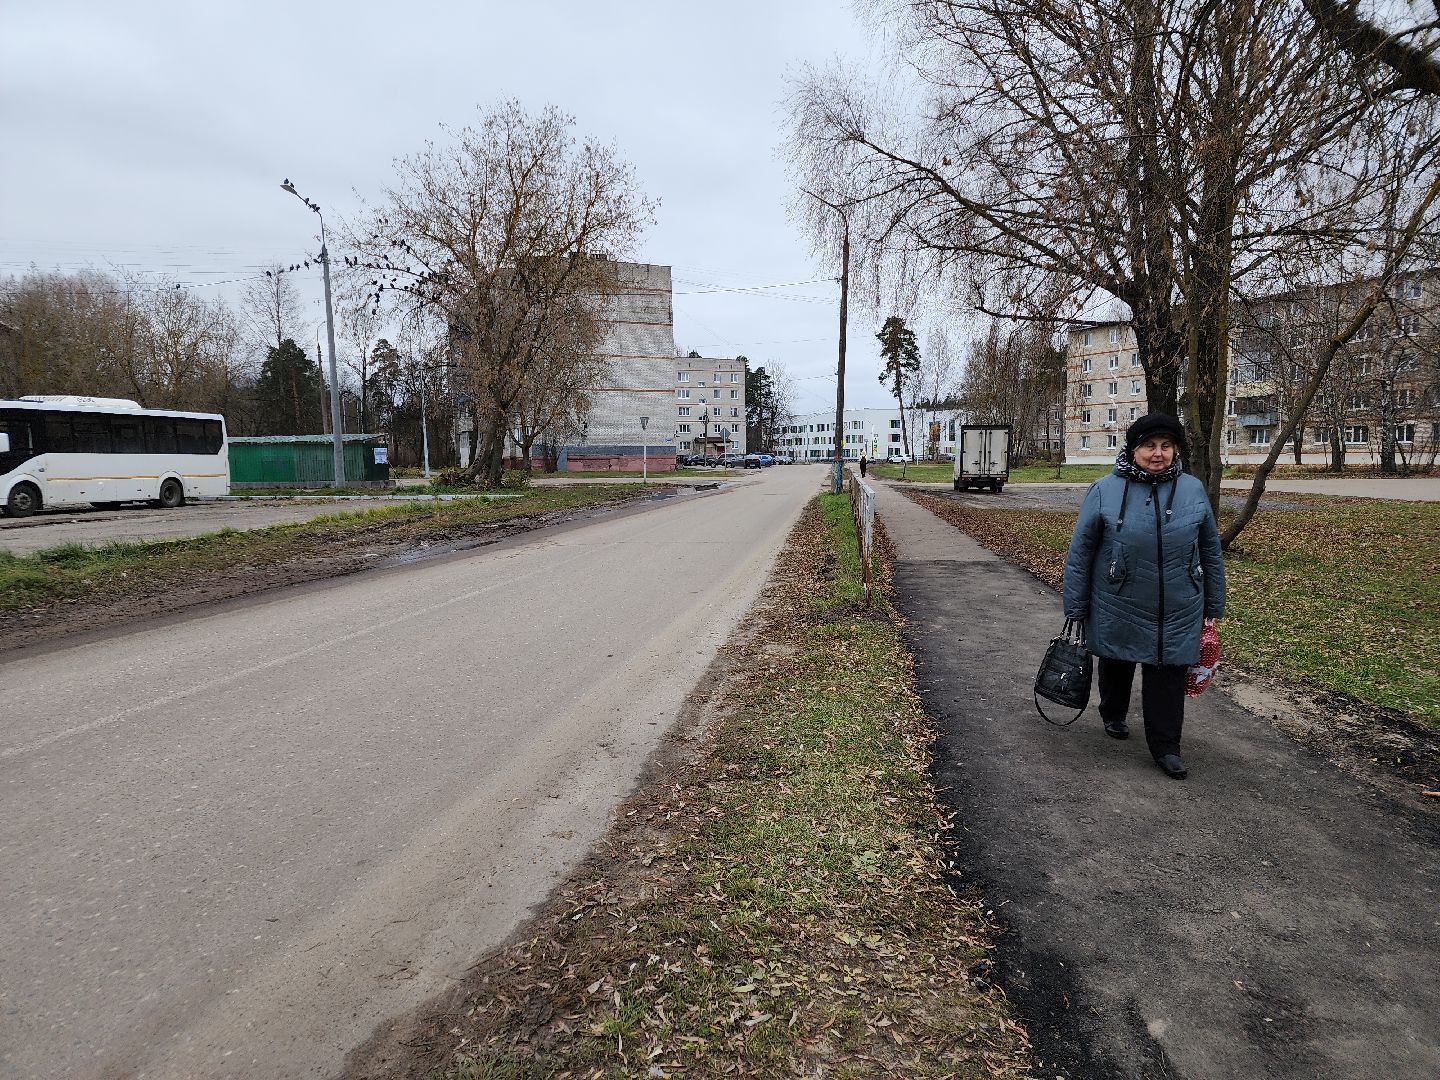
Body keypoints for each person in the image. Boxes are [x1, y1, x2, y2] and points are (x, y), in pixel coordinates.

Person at [1062, 413, 1226, 779]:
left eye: (1166, 446)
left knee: (1167, 672)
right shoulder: (1104, 490)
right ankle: (1113, 713)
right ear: (1133, 449)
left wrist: (1213, 602)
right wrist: (1075, 605)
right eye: (1149, 446)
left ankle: (1167, 746)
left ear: (1175, 450)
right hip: (1119, 597)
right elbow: (1081, 551)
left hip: (1179, 603)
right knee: (1118, 658)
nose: (1158, 454)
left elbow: (1210, 549)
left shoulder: (1192, 489)